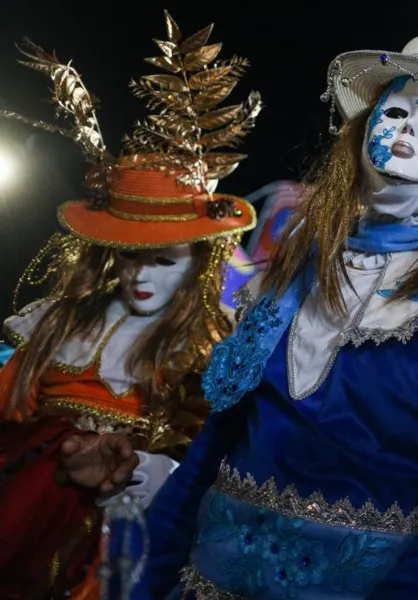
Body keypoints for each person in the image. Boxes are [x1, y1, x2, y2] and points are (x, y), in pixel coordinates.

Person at [136, 3, 418, 599]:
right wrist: (144, 581)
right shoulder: (287, 276)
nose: (409, 127)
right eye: (394, 110)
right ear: (361, 129)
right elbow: (211, 451)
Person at [0, 11, 260, 598]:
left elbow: (212, 453)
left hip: (126, 524)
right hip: (25, 494)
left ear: (199, 262)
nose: (141, 274)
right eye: (127, 255)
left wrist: (145, 470)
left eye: (164, 259)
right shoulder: (56, 323)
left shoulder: (210, 350)